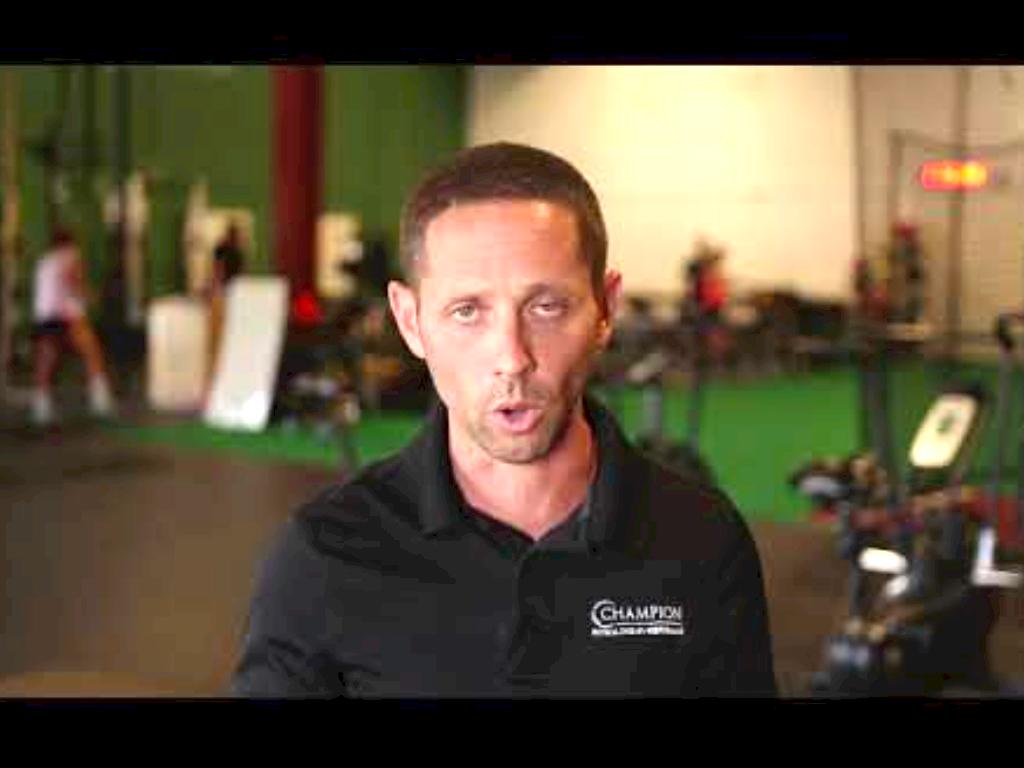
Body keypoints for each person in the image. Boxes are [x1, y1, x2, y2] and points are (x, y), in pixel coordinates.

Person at [232, 142, 776, 698]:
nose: (512, 357)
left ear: (606, 309)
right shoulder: (324, 556)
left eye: (546, 306)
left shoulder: (702, 539)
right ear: (410, 321)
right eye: (467, 311)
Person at [30, 227, 116, 426]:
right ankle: (101, 401)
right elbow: (72, 279)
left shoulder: (45, 261)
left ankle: (41, 407)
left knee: (47, 360)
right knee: (92, 352)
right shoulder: (71, 255)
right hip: (69, 313)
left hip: (45, 314)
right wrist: (89, 296)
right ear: (70, 242)